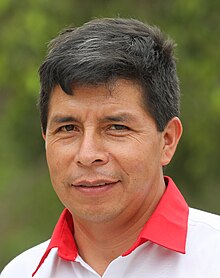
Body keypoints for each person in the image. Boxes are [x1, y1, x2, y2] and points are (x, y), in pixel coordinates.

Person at [1, 18, 220, 278]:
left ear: (168, 140)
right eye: (68, 128)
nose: (88, 155)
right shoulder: (22, 272)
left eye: (116, 127)